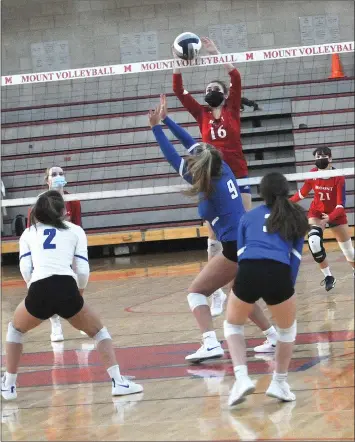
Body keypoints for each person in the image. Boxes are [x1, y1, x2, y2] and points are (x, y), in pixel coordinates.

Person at [148, 95, 279, 362]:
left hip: (234, 245)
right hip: (245, 240)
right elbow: (190, 144)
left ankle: (210, 343)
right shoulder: (223, 168)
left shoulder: (205, 181)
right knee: (238, 290)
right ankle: (274, 336)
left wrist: (155, 127)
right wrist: (167, 120)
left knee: (196, 292)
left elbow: (173, 155)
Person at [1, 190, 143, 400]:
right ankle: (118, 381)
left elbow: (25, 269)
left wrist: (34, 290)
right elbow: (83, 270)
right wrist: (79, 294)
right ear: (63, 211)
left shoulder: (29, 233)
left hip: (39, 287)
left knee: (15, 329)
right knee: (98, 332)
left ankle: (9, 385)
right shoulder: (76, 230)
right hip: (67, 287)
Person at [173, 37, 251, 317]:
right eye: (207, 89)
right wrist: (178, 64)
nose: (210, 91)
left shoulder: (231, 109)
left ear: (224, 94)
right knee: (214, 237)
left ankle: (243, 287)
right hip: (212, 177)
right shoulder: (201, 114)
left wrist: (216, 53)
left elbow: (235, 77)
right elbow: (179, 92)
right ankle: (216, 292)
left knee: (243, 231)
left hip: (238, 175)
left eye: (215, 88)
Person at [224, 172, 309, 407]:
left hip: (249, 271)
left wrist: (244, 288)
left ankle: (241, 378)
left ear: (262, 194)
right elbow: (294, 260)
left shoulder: (247, 217)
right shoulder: (297, 217)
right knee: (287, 330)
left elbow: (242, 257)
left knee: (232, 324)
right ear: (287, 191)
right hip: (279, 273)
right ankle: (279, 382)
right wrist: (284, 291)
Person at [27, 166, 82, 342]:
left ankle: (81, 321)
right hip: (47, 254)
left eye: (61, 174)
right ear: (47, 180)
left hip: (67, 253)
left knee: (76, 284)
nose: (58, 177)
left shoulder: (73, 201)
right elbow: (31, 234)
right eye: (54, 174)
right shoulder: (38, 203)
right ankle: (55, 325)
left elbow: (78, 229)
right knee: (48, 287)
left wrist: (77, 257)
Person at [290, 147, 354, 291]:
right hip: (317, 213)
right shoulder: (312, 174)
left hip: (336, 214)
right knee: (313, 242)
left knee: (349, 251)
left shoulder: (338, 177)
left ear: (330, 159)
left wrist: (330, 217)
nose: (320, 159)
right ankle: (328, 276)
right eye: (318, 157)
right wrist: (287, 202)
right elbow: (302, 193)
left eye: (323, 156)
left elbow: (340, 205)